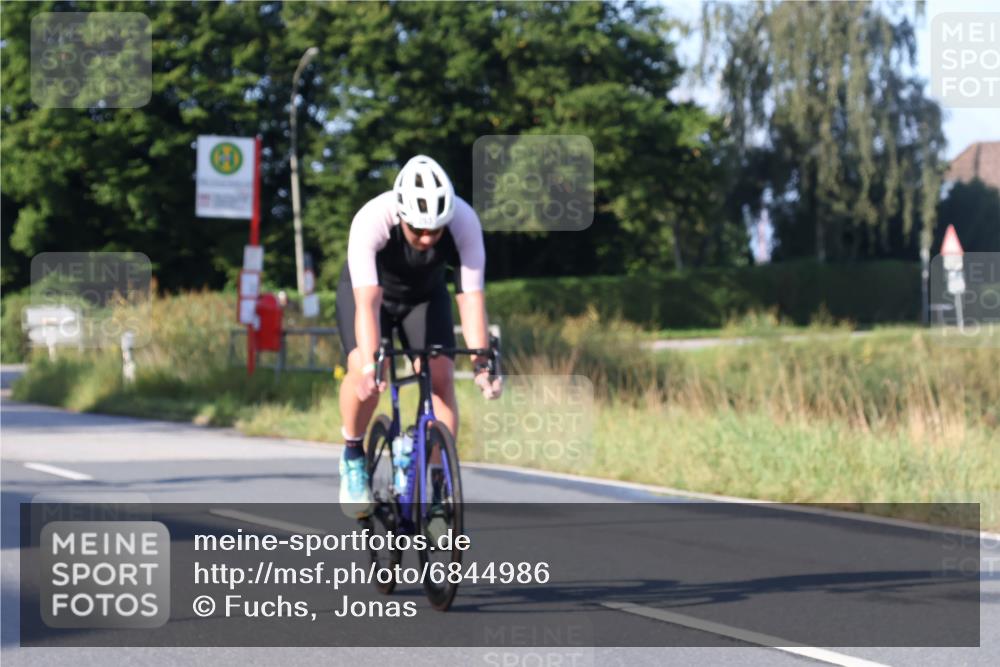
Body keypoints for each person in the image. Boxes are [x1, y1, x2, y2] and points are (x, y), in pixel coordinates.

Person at [336, 155, 503, 517]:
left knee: (441, 377)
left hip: (425, 299)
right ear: (401, 217)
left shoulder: (464, 221)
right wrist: (368, 365)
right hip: (370, 296)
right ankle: (352, 454)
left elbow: (471, 298)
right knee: (366, 370)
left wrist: (481, 366)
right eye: (418, 230)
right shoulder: (372, 219)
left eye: (435, 231)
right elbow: (366, 303)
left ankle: (439, 487)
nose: (427, 239)